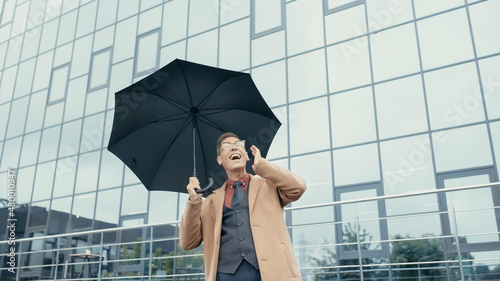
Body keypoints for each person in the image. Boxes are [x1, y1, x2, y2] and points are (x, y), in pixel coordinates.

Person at [179, 132, 307, 281]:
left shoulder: (269, 185)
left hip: (270, 272)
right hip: (225, 275)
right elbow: (188, 242)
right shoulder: (210, 202)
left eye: (239, 144)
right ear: (219, 160)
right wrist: (194, 202)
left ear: (246, 155)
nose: (234, 148)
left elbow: (298, 187)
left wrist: (263, 167)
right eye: (226, 146)